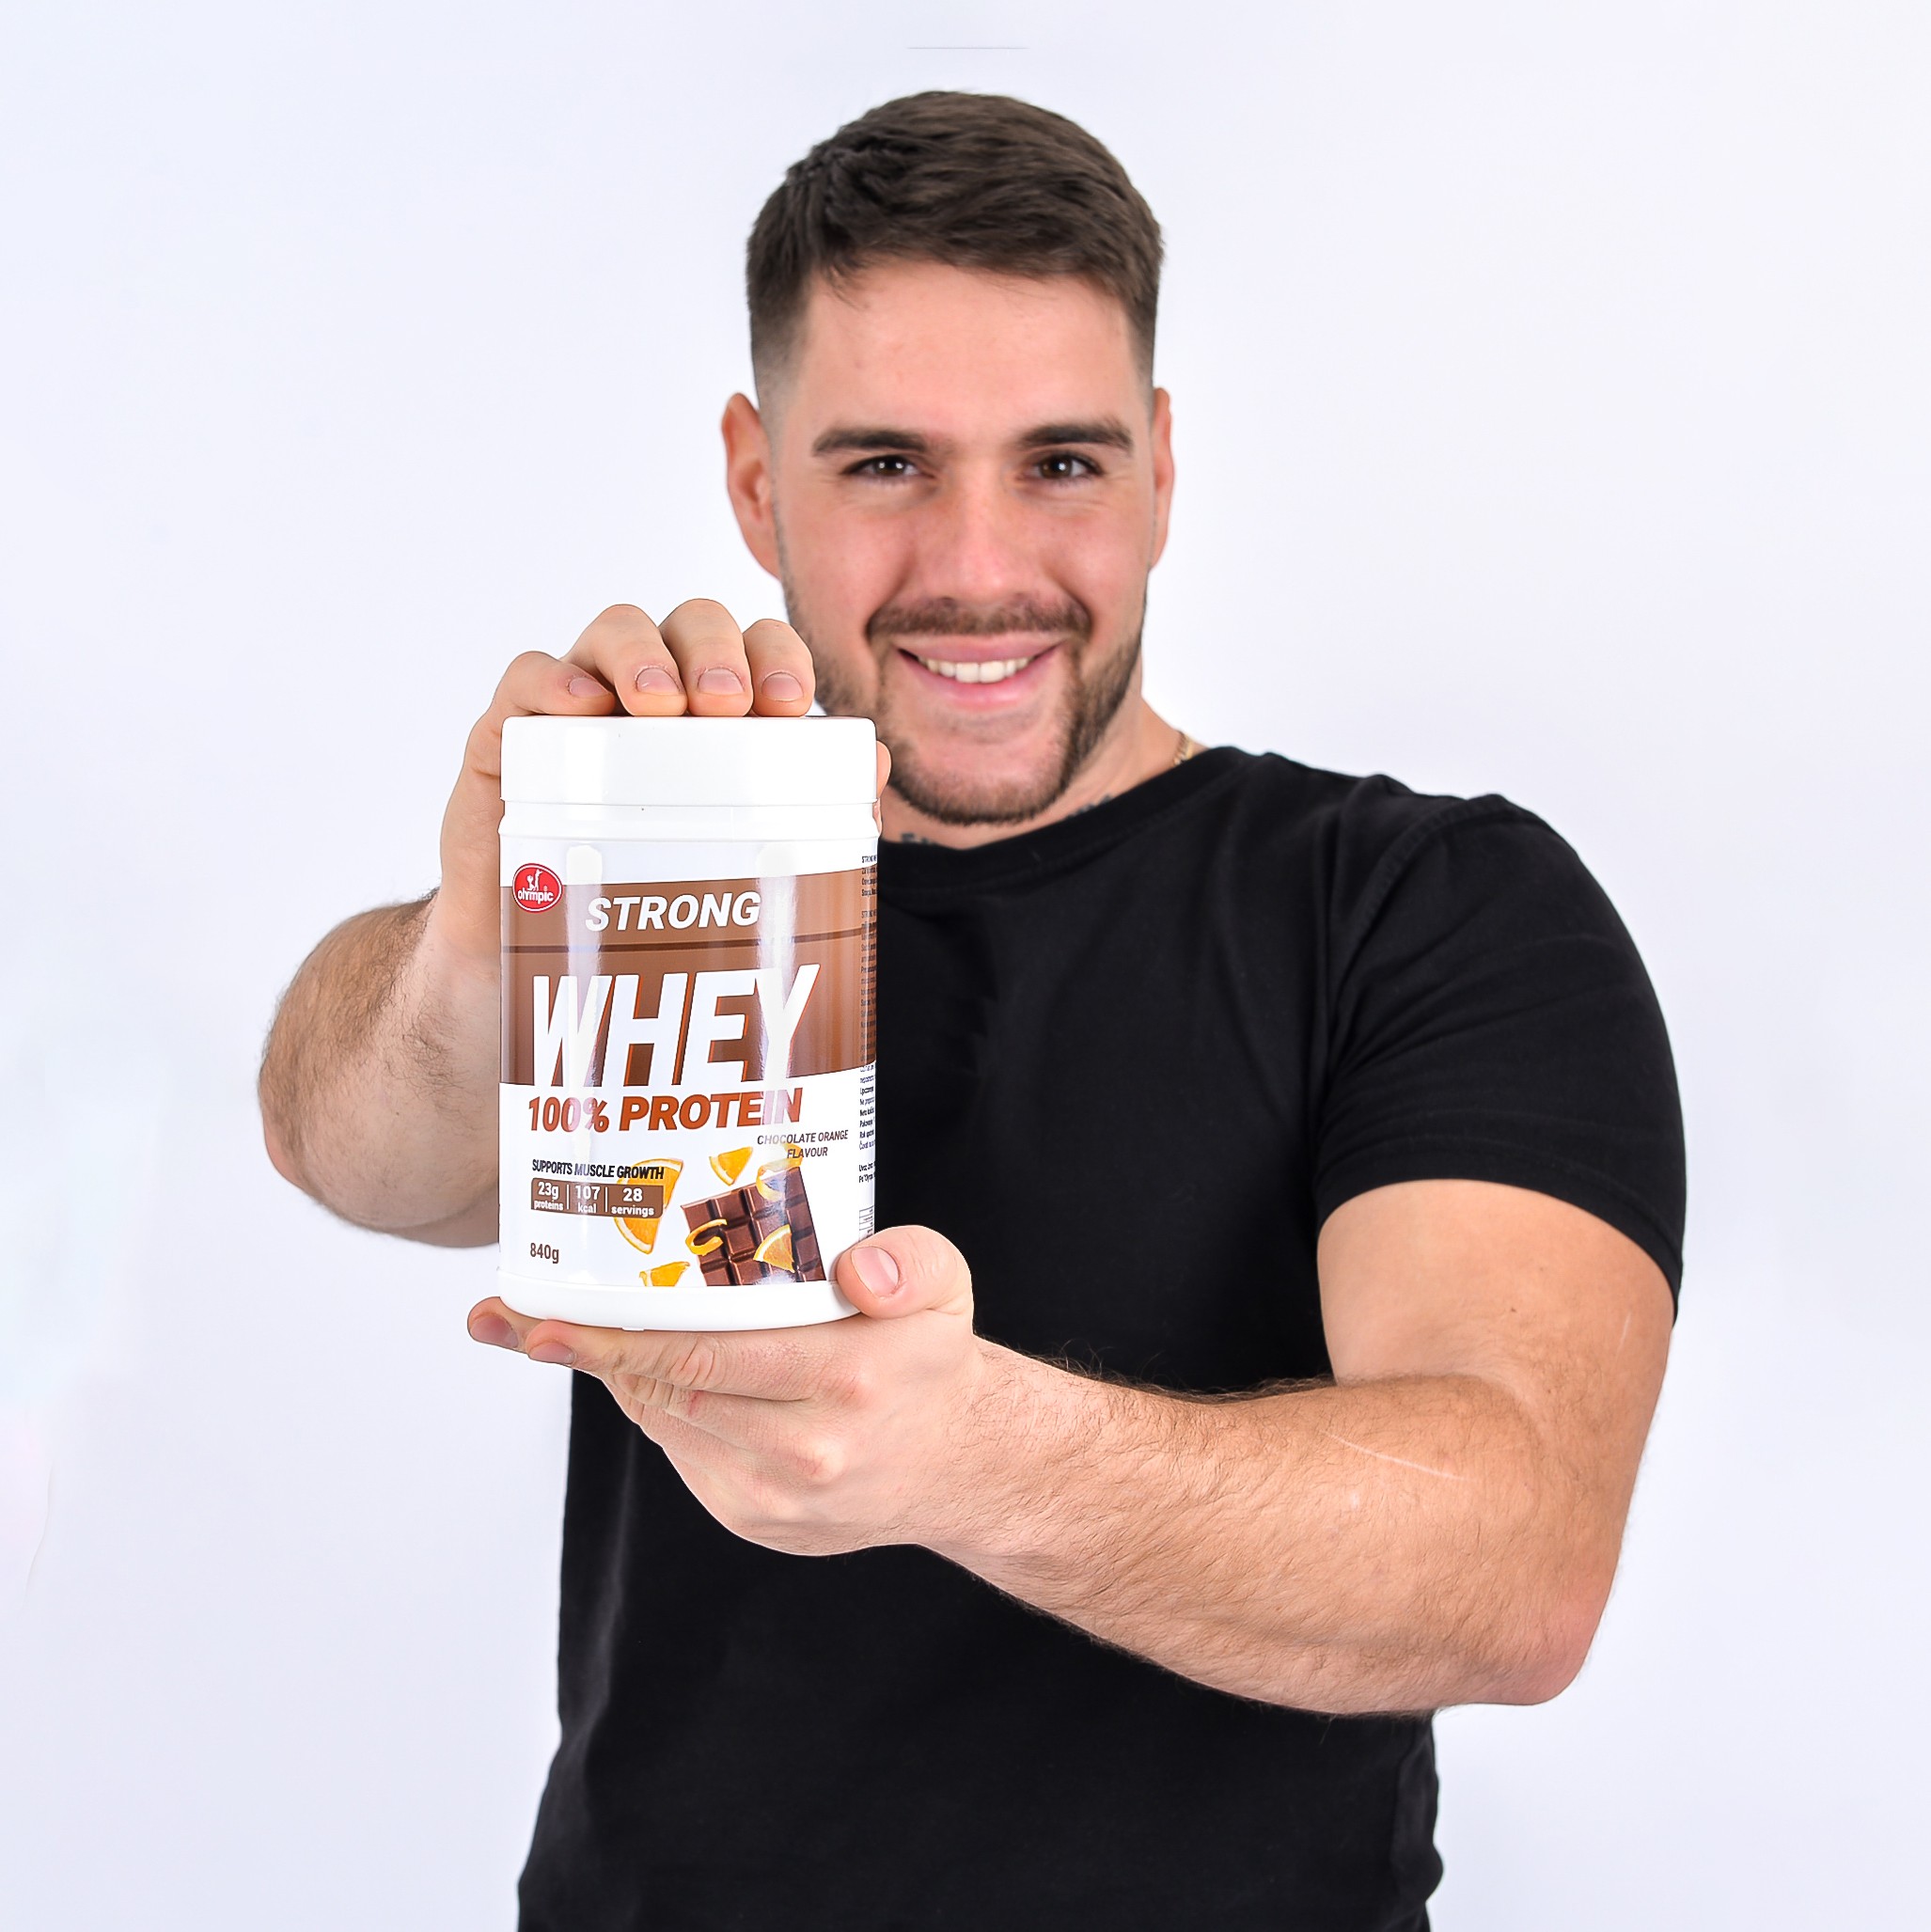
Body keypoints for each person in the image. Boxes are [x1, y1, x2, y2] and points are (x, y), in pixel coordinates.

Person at [259, 91, 1683, 1931]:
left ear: (1160, 469)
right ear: (754, 478)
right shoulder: (692, 883)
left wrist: (964, 1451)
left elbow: (1519, 1563)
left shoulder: (1414, 903)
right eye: (885, 464)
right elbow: (350, 1151)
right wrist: (480, 939)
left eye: (1060, 462)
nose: (979, 567)